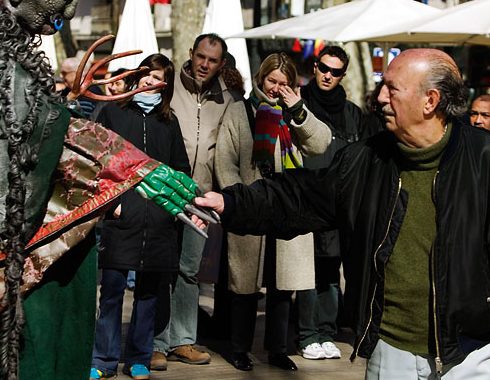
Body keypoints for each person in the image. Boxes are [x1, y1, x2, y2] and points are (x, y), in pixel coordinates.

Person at [0, 0, 207, 380]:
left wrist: (132, 167)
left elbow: (35, 124)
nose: (68, 10)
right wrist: (124, 165)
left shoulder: (5, 42)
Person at [195, 49, 490, 379]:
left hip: (473, 349)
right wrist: (231, 202)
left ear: (430, 101)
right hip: (391, 346)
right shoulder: (366, 159)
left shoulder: (483, 159)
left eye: (391, 88)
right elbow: (300, 196)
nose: (379, 97)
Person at [215, 53, 331, 371]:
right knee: (245, 286)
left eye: (284, 83)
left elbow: (321, 144)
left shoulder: (295, 114)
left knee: (283, 285)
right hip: (251, 208)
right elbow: (225, 161)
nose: (277, 88)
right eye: (272, 81)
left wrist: (298, 109)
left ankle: (278, 349)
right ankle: (240, 349)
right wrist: (239, 201)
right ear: (261, 79)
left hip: (286, 209)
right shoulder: (240, 111)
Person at [90, 53, 190, 380]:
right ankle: (103, 361)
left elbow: (180, 170)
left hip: (159, 223)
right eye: (146, 74)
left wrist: (174, 209)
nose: (150, 81)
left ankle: (139, 358)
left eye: (157, 77)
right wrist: (112, 206)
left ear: (166, 84)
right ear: (137, 75)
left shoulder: (169, 122)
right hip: (122, 220)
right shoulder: (113, 114)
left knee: (149, 295)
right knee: (113, 292)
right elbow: (96, 164)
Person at [152, 33, 239, 369]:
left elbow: (228, 151)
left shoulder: (228, 99)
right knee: (161, 269)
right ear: (191, 54)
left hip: (200, 199)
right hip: (164, 192)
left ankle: (183, 340)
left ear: (222, 64)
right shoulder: (169, 88)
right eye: (201, 56)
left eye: (212, 60)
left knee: (189, 272)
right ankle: (156, 341)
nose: (204, 65)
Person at [296, 45, 367, 361]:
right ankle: (307, 333)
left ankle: (325, 331)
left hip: (340, 204)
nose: (328, 75)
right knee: (305, 270)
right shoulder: (300, 103)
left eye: (336, 71)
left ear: (343, 75)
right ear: (314, 67)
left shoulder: (353, 113)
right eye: (324, 68)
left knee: (330, 270)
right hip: (305, 197)